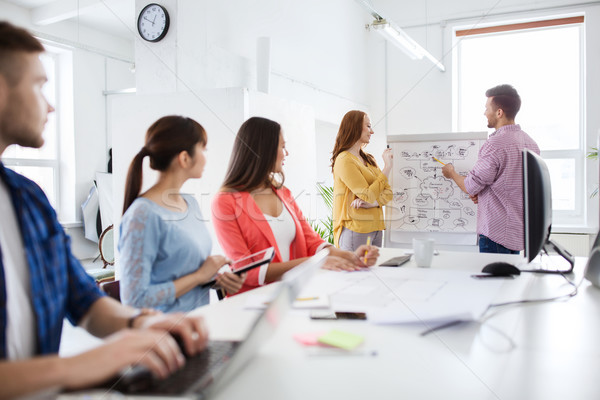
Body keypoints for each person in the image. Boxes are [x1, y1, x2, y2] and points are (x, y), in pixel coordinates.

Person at [0, 21, 209, 399]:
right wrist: (79, 366)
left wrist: (142, 323)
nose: (50, 104)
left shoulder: (27, 199)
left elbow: (86, 303)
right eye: (38, 85)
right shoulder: (143, 214)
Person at [212, 116, 379, 295]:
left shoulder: (284, 193)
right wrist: (315, 263)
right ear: (263, 150)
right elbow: (247, 270)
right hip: (252, 301)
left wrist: (352, 257)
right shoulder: (225, 202)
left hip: (291, 295)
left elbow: (311, 241)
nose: (287, 153)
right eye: (283, 146)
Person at [119, 115, 246, 312]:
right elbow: (134, 299)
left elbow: (183, 273)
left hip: (198, 325)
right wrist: (200, 276)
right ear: (184, 158)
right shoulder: (142, 215)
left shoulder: (191, 204)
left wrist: (217, 280)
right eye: (203, 150)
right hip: (164, 335)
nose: (205, 157)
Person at [442, 84, 540, 254]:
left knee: (492, 281)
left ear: (499, 112)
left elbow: (470, 186)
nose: (484, 113)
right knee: (509, 280)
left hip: (495, 236)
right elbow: (514, 188)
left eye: (487, 108)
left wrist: (451, 173)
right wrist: (485, 195)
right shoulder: (531, 143)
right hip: (517, 235)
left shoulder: (495, 144)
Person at [331, 110, 393, 250]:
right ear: (355, 127)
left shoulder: (368, 159)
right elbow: (367, 195)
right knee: (356, 272)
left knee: (374, 270)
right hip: (356, 228)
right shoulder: (344, 160)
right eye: (369, 126)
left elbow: (388, 193)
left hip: (377, 228)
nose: (372, 132)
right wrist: (387, 168)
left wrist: (373, 204)